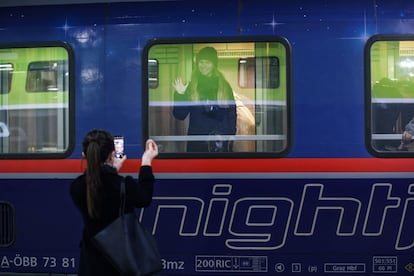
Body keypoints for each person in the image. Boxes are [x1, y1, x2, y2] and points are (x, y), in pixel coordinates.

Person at [70, 129, 158, 276]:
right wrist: (146, 162)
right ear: (112, 155)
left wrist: (112, 170)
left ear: (85, 155)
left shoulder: (76, 187)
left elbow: (98, 185)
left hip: (91, 265)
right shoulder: (124, 185)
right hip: (121, 263)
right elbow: (144, 199)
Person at [172, 46, 237, 152]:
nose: (203, 66)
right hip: (197, 141)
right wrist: (180, 94)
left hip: (219, 141)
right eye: (201, 62)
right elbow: (180, 115)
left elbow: (232, 113)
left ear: (214, 65)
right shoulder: (192, 86)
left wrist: (230, 136)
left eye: (208, 62)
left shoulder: (224, 86)